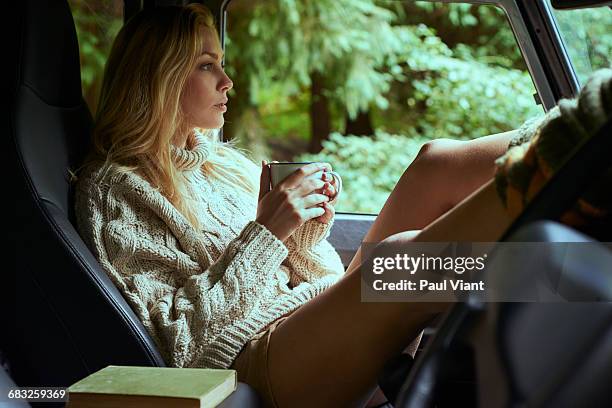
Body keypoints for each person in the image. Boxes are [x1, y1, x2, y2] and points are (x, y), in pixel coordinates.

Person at [73, 3, 611, 408]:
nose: (227, 80)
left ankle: (577, 136)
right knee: (403, 265)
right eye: (207, 65)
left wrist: (304, 228)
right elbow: (181, 344)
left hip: (306, 315)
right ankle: (571, 198)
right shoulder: (115, 189)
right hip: (253, 359)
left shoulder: (221, 163)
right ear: (160, 77)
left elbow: (306, 271)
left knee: (435, 162)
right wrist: (268, 233)